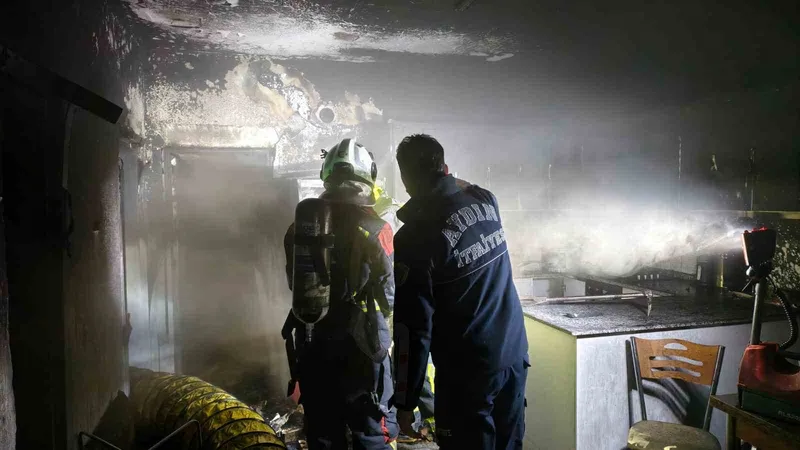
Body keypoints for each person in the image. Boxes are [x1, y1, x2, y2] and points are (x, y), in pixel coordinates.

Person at [391, 134, 529, 450]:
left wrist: (405, 401)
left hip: (467, 375)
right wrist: (447, 181)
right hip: (513, 355)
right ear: (445, 167)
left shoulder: (415, 238)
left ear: (405, 179)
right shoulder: (486, 201)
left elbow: (413, 328)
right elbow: (463, 186)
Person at [282, 138, 398, 450]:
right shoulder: (376, 228)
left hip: (312, 337)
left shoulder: (299, 228)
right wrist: (385, 335)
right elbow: (388, 292)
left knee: (322, 430)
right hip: (361, 345)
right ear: (367, 176)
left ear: (327, 176)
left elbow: (295, 282)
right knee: (370, 430)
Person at [373, 184, 437, 442]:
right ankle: (418, 420)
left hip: (401, 304)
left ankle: (417, 421)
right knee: (413, 368)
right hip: (402, 303)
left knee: (410, 367)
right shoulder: (388, 210)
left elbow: (388, 268)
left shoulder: (383, 217)